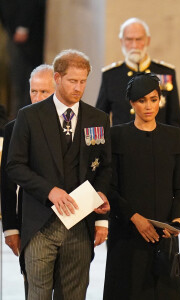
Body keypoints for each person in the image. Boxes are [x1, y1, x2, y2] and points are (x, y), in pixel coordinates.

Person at [6, 49, 111, 300]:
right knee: (38, 295)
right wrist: (49, 191)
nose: (78, 88)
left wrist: (102, 198)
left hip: (80, 226)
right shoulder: (29, 116)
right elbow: (14, 166)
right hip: (40, 225)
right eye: (72, 81)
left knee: (74, 296)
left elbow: (106, 167)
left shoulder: (98, 118)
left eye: (83, 81)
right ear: (57, 78)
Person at [103, 73, 180, 300]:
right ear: (131, 103)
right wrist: (135, 218)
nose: (148, 106)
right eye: (142, 101)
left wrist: (176, 222)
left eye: (153, 99)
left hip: (164, 236)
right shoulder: (117, 135)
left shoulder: (173, 136)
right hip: (127, 234)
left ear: (160, 99)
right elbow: (110, 188)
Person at [0, 64, 55, 298]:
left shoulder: (71, 125)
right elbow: (7, 184)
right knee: (33, 289)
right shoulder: (15, 127)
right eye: (34, 91)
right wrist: (10, 228)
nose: (38, 97)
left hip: (69, 220)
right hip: (29, 222)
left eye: (45, 92)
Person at [95, 17, 180, 135]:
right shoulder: (110, 75)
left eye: (139, 39)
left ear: (148, 40)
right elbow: (99, 120)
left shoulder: (165, 72)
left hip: (157, 146)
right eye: (129, 39)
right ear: (121, 41)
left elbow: (175, 120)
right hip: (121, 148)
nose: (134, 45)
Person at [0, 0, 46, 116]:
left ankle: (22, 121)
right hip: (13, 31)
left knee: (25, 83)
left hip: (28, 36)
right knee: (18, 83)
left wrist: (23, 27)